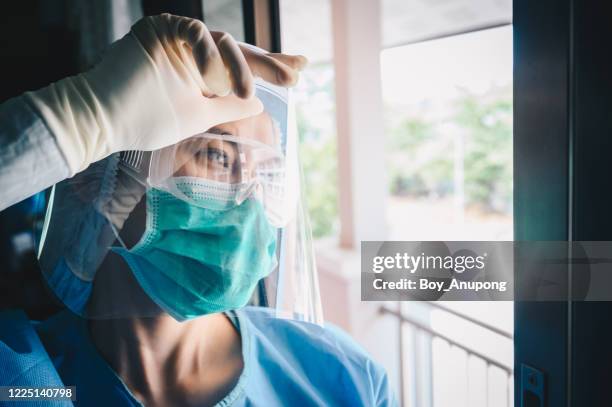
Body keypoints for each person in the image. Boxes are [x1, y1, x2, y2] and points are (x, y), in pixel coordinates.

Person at [0, 14, 396, 407]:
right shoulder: (24, 380)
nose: (250, 200)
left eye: (266, 172)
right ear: (95, 178)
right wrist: (85, 115)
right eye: (217, 156)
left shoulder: (341, 379)